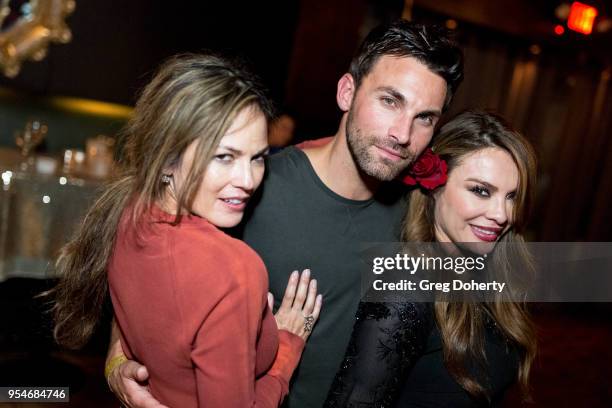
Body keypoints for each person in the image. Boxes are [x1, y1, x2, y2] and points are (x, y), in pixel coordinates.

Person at [107, 20, 464, 408]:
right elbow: (152, 278)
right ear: (348, 92)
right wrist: (118, 358)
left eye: (425, 117)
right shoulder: (247, 191)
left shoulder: (421, 207)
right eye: (389, 101)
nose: (402, 133)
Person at [48, 54, 322, 407]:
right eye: (224, 156)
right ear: (167, 159)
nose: (248, 180)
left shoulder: (127, 210)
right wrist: (284, 352)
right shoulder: (235, 270)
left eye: (258, 157)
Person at [324, 110, 538, 407]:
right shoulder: (406, 285)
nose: (502, 215)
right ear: (435, 185)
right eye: (480, 191)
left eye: (512, 196)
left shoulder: (486, 270)